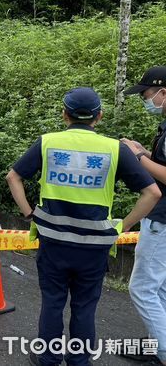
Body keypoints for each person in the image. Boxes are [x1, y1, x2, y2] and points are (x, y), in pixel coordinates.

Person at [6, 87, 160, 366]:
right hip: (94, 248)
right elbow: (153, 193)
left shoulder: (48, 143)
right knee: (85, 307)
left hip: (53, 243)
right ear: (99, 117)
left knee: (52, 302)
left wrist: (29, 213)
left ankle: (48, 358)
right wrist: (122, 227)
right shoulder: (115, 149)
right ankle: (79, 360)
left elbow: (13, 177)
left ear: (64, 115)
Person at [121, 65, 166, 366]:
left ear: (164, 92)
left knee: (142, 288)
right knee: (160, 287)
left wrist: (136, 157)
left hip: (161, 220)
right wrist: (144, 152)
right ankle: (156, 344)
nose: (145, 100)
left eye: (148, 95)